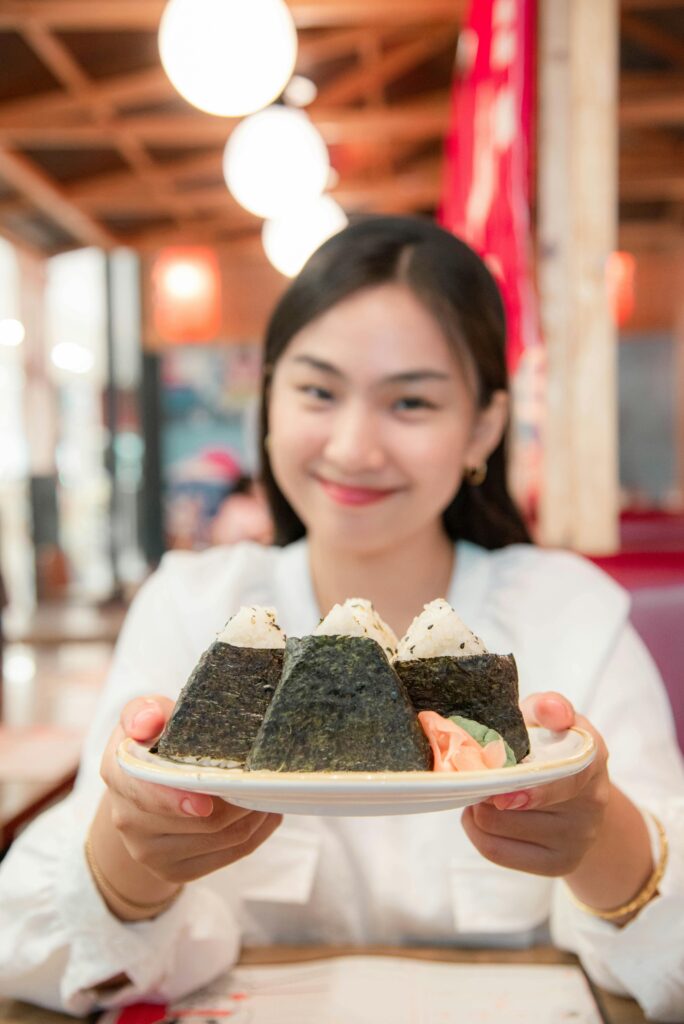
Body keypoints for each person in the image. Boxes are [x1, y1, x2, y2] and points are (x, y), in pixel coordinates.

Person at [1, 217, 682, 1020]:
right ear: (269, 403)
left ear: (485, 427)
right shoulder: (193, 605)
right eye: (318, 391)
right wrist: (131, 857)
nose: (355, 446)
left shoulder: (570, 613)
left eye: (412, 401)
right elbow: (23, 950)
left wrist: (602, 840)